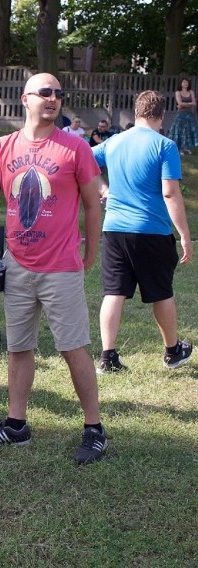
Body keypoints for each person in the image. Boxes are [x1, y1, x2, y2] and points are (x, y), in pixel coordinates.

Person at [0, 73, 108, 465]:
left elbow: (93, 204)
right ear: (25, 98)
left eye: (58, 94)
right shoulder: (2, 146)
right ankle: (16, 425)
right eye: (44, 93)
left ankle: (94, 429)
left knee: (72, 346)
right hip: (17, 265)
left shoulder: (75, 147)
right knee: (19, 347)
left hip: (61, 266)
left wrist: (91, 251)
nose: (52, 99)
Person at [93, 90, 193, 374]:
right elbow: (170, 193)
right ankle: (173, 351)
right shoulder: (165, 145)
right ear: (161, 116)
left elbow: (83, 162)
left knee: (114, 292)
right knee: (161, 292)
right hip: (152, 231)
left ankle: (107, 357)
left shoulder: (113, 142)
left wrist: (104, 189)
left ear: (136, 113)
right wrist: (184, 234)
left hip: (113, 229)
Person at [167, 78, 198, 155]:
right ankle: (180, 149)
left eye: (187, 82)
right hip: (181, 114)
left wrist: (184, 104)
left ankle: (186, 148)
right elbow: (179, 103)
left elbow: (194, 103)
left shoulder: (191, 92)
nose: (185, 84)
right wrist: (189, 104)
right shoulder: (178, 92)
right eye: (184, 82)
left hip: (189, 114)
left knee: (188, 131)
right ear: (181, 84)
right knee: (179, 131)